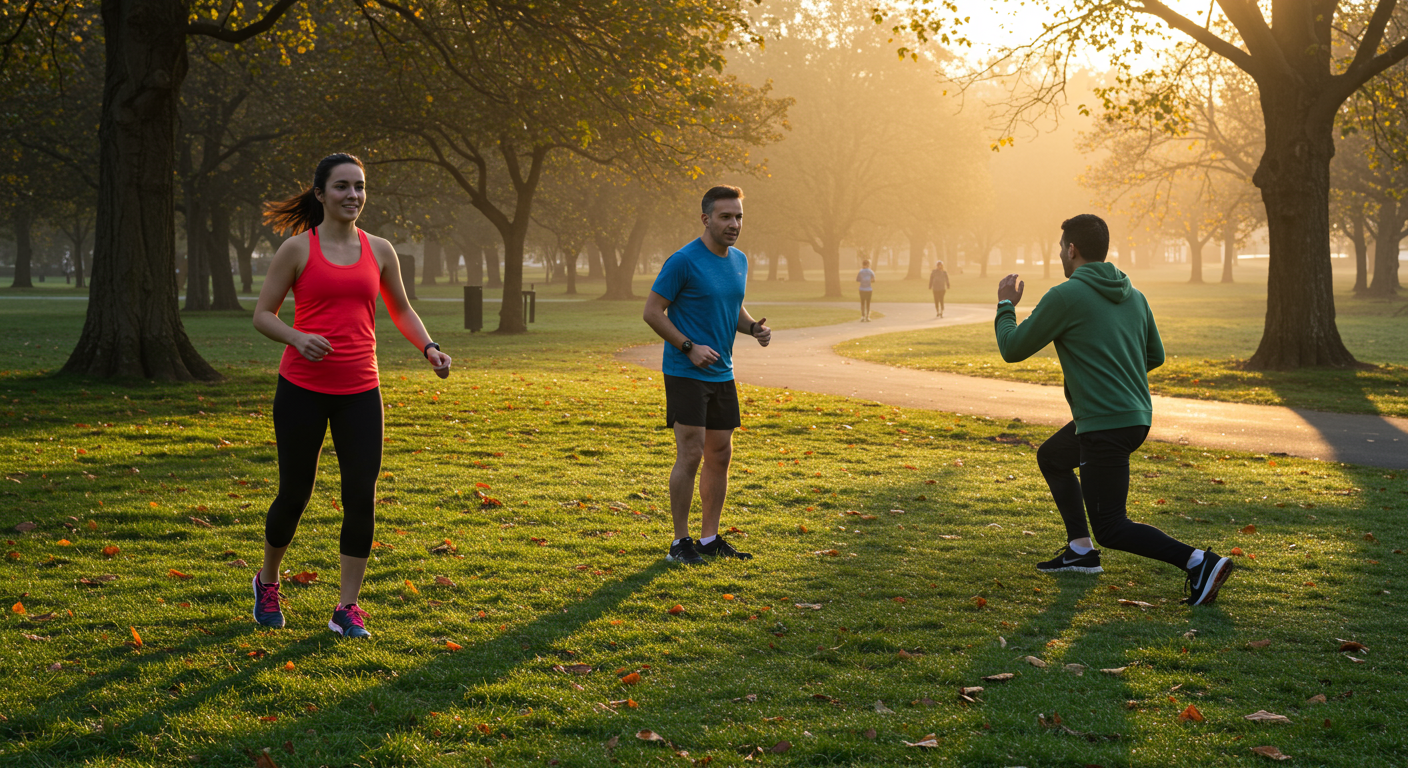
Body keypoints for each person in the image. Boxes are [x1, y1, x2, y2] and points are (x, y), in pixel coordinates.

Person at [251, 153, 452, 637]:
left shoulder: (380, 249)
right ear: (320, 193)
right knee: (295, 494)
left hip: (361, 389)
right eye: (342, 186)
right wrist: (297, 337)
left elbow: (400, 309)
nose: (353, 195)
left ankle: (346, 608)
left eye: (359, 187)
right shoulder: (298, 249)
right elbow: (263, 314)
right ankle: (268, 581)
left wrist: (428, 347)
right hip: (301, 388)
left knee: (360, 496)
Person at [994, 214, 1232, 606]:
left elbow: (1012, 348)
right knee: (1053, 457)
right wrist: (1116, 377)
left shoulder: (1065, 295)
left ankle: (1199, 562)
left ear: (1072, 249)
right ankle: (1080, 551)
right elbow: (1154, 355)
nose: (1060, 255)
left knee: (1112, 526)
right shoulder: (1135, 296)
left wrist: (1006, 304)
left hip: (1105, 424)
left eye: (1061, 249)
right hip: (1133, 417)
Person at [643, 185, 771, 565]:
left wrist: (752, 329)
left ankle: (710, 538)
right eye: (726, 216)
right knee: (692, 454)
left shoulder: (739, 260)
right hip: (685, 371)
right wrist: (689, 347)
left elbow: (731, 306)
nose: (734, 224)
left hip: (722, 373)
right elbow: (652, 312)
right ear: (706, 219)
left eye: (739, 217)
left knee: (720, 453)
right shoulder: (683, 260)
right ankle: (679, 543)